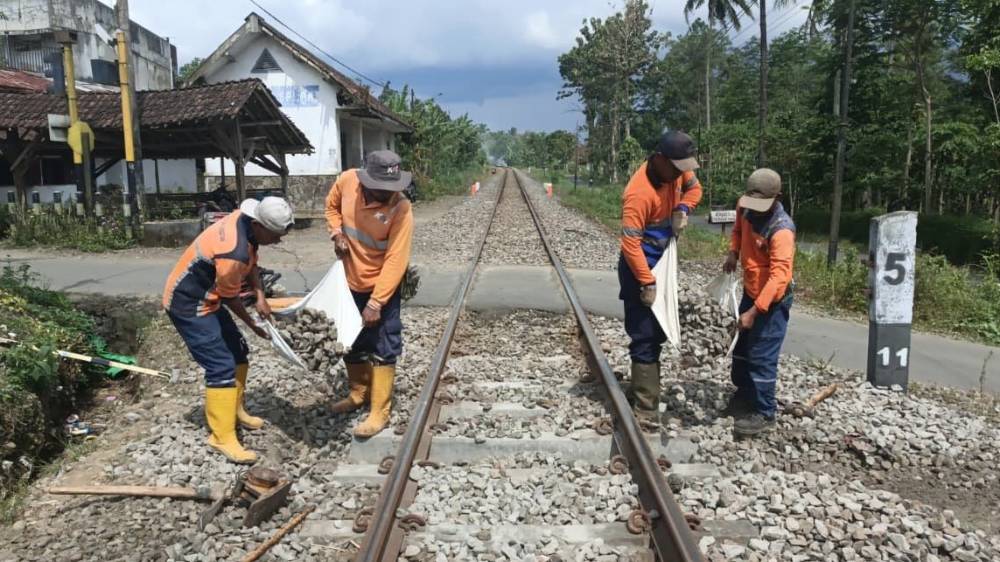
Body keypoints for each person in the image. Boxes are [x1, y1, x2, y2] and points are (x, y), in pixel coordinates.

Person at [163, 197, 294, 463]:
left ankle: (235, 409)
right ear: (258, 225)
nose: (278, 241)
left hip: (209, 297)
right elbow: (230, 297)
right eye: (275, 235)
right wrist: (254, 325)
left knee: (238, 351)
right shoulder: (233, 251)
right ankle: (221, 436)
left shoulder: (245, 223)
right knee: (220, 365)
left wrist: (260, 296)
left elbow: (252, 264)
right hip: (189, 303)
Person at [325, 150, 414, 438]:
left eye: (393, 187)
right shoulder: (346, 181)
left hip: (382, 285)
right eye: (382, 188)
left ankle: (380, 411)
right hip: (349, 280)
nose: (389, 193)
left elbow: (396, 260)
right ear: (365, 182)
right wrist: (337, 233)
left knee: (385, 344)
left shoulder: (401, 208)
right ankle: (358, 393)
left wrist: (376, 302)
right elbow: (331, 207)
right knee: (350, 339)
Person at [619, 131, 703, 419]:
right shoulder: (639, 193)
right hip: (640, 267)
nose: (681, 174)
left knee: (657, 332)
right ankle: (646, 410)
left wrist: (683, 208)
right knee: (644, 334)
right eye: (677, 168)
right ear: (659, 159)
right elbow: (630, 244)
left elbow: (695, 189)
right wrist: (646, 281)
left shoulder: (678, 170)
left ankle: (643, 390)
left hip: (664, 262)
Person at [722, 168, 795, 437]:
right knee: (741, 348)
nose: (753, 208)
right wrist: (733, 252)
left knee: (762, 355)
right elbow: (738, 231)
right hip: (751, 291)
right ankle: (744, 396)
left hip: (773, 302)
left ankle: (765, 413)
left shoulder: (782, 230)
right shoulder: (745, 206)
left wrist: (754, 311)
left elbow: (779, 278)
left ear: (777, 198)